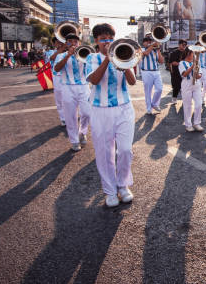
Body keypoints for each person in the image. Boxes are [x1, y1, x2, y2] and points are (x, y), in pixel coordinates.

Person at [85, 23, 137, 208]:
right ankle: (109, 190)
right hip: (100, 110)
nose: (107, 41)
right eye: (102, 39)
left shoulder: (122, 55)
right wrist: (108, 59)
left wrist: (124, 63)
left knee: (125, 150)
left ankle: (123, 185)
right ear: (96, 41)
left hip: (124, 108)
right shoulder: (92, 57)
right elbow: (94, 80)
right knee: (104, 152)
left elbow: (132, 82)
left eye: (109, 38)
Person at [54, 34, 91, 151]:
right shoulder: (61, 56)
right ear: (67, 43)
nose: (74, 43)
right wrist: (68, 55)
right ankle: (74, 141)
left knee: (87, 113)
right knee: (70, 116)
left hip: (84, 86)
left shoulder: (85, 54)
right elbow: (56, 69)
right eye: (70, 41)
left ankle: (82, 132)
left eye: (76, 41)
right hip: (67, 87)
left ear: (79, 43)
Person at [178, 47, 203, 132]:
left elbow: (199, 75)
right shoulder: (181, 63)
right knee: (187, 106)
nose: (195, 56)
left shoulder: (197, 62)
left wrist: (197, 73)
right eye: (193, 53)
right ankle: (188, 124)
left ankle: (197, 123)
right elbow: (184, 74)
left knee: (199, 104)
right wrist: (193, 66)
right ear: (188, 53)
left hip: (196, 84)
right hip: (186, 85)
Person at [140, 36, 164, 115]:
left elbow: (161, 61)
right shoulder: (141, 49)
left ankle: (154, 104)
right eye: (147, 41)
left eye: (150, 41)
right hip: (146, 72)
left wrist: (158, 50)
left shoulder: (155, 50)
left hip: (156, 72)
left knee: (159, 89)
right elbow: (146, 53)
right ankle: (149, 108)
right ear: (143, 43)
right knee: (148, 91)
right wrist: (152, 46)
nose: (149, 42)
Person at [45, 37, 66, 126]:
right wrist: (62, 48)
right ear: (54, 44)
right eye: (58, 42)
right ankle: (63, 118)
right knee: (59, 99)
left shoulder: (67, 50)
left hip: (68, 76)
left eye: (61, 42)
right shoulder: (51, 52)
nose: (60, 43)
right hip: (57, 76)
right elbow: (52, 58)